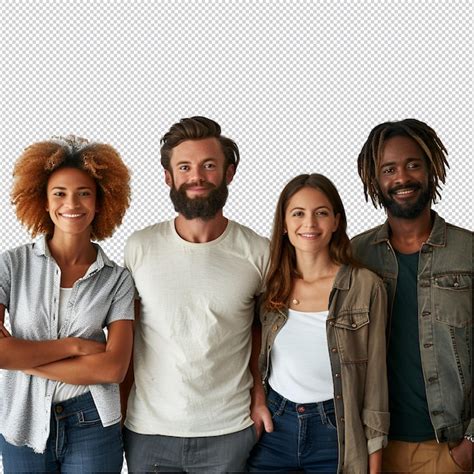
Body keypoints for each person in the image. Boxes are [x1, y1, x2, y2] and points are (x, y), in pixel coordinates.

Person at [121, 116, 270, 472]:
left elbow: (263, 331)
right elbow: (125, 333)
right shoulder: (139, 247)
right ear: (168, 177)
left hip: (230, 430)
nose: (197, 177)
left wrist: (259, 395)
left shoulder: (258, 252)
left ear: (229, 172)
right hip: (148, 431)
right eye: (184, 167)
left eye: (209, 165)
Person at [0, 136, 134, 473]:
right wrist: (76, 346)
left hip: (92, 420)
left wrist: (23, 360)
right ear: (43, 202)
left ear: (100, 202)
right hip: (22, 420)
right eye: (59, 193)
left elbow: (112, 369)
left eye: (84, 193)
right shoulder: (11, 265)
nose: (71, 203)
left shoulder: (117, 279)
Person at [352, 118, 473, 473]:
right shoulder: (354, 256)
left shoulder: (468, 252)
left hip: (450, 451)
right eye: (389, 169)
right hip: (374, 451)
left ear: (432, 168)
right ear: (375, 180)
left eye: (413, 164)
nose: (402, 178)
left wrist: (470, 447)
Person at [247, 173, 389, 473]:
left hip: (336, 434)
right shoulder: (270, 285)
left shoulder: (365, 286)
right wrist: (258, 401)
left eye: (321, 213)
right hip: (275, 428)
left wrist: (374, 464)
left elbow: (376, 382)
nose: (309, 224)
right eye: (298, 213)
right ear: (284, 225)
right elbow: (252, 349)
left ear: (336, 221)